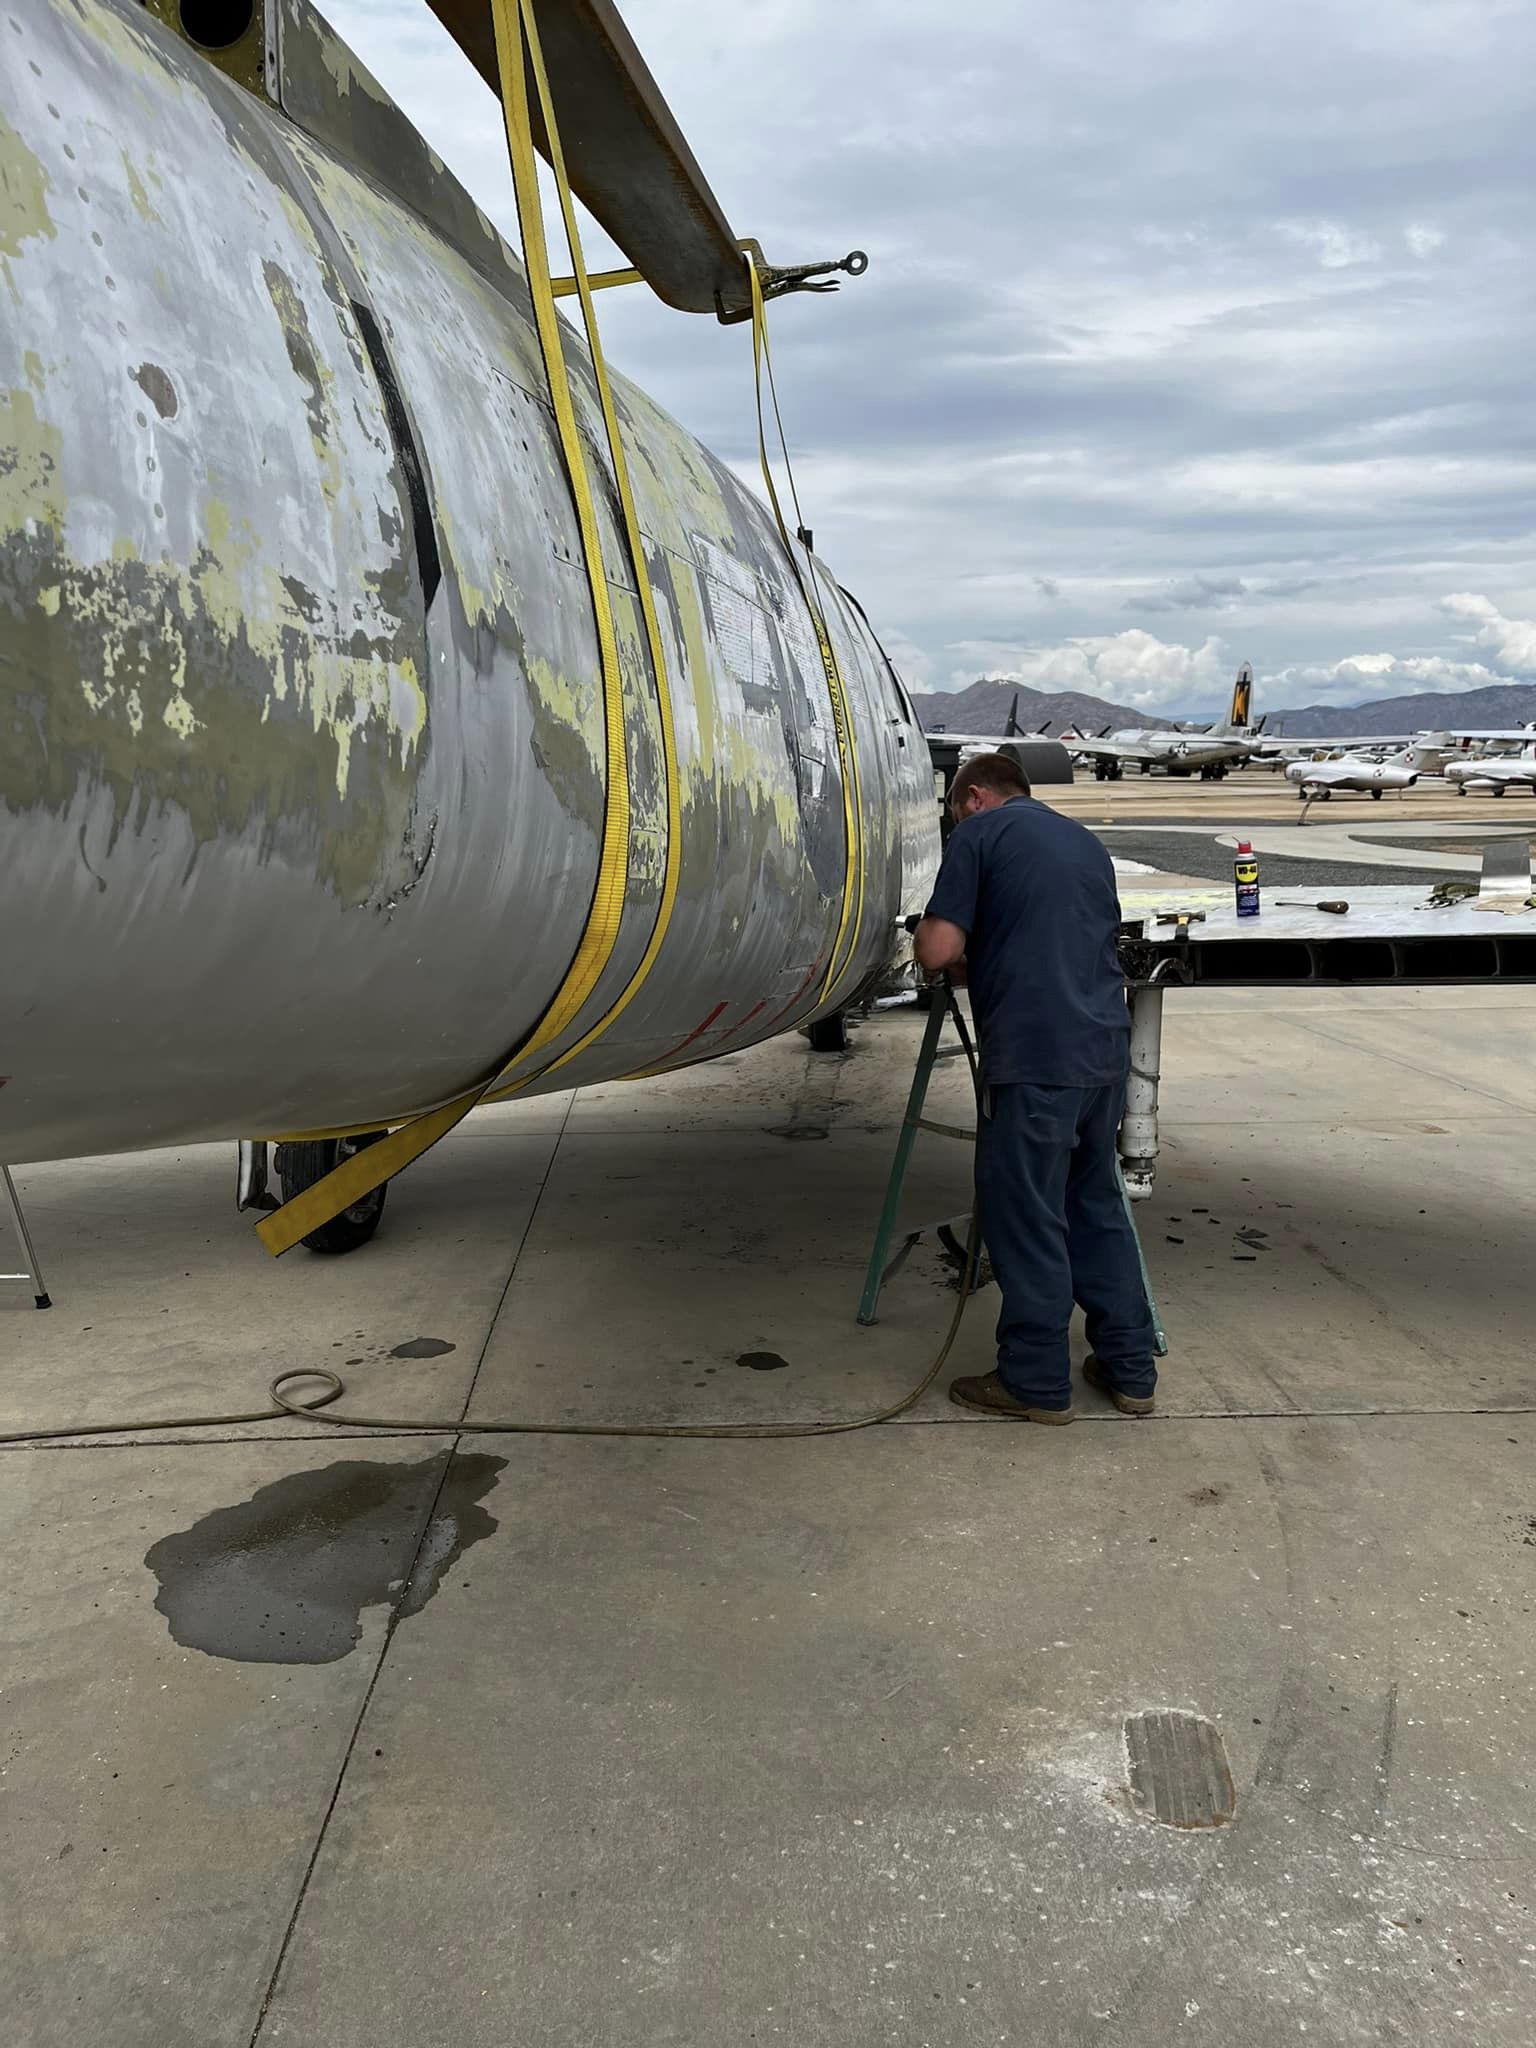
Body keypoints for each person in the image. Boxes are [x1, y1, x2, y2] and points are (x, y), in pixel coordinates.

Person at [913, 752, 1157, 1423]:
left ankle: (1035, 1380)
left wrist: (924, 947)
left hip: (1033, 1057)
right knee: (1095, 1206)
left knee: (1026, 1215)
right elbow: (1052, 940)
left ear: (972, 797)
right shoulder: (1084, 842)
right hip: (1102, 1050)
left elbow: (937, 949)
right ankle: (1130, 1368)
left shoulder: (978, 834)